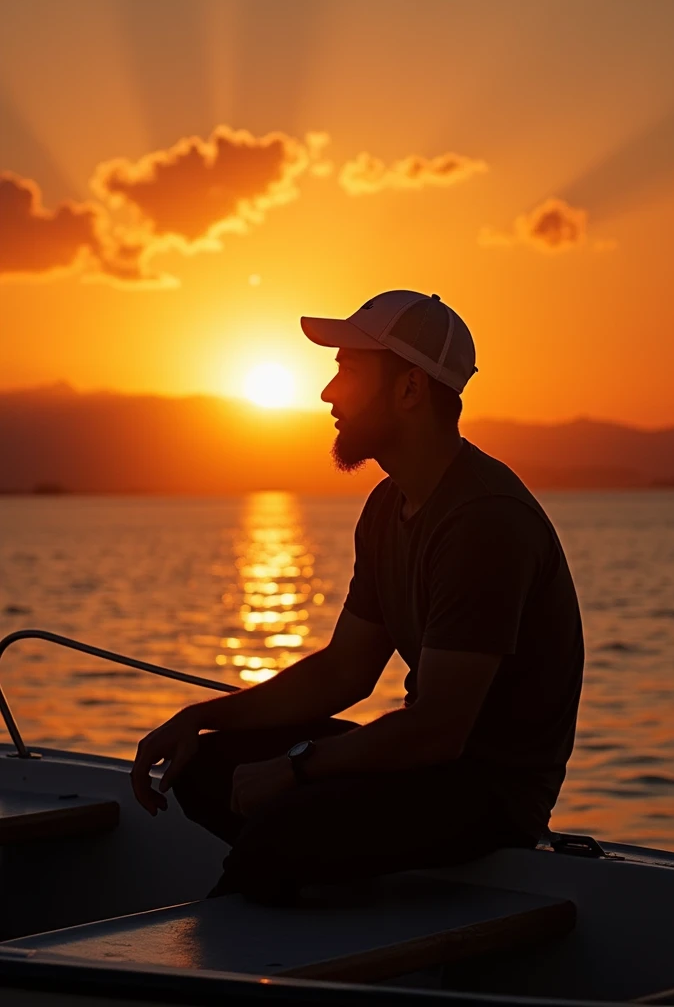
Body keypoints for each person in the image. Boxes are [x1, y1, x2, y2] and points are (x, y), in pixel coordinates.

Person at [130, 289, 585, 904]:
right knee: (206, 770)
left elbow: (439, 731)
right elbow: (345, 671)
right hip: (428, 771)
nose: (327, 393)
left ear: (409, 389)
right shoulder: (386, 507)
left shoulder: (484, 521)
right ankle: (326, 883)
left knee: (282, 828)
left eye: (346, 369)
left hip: (487, 794)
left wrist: (294, 768)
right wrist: (201, 717)